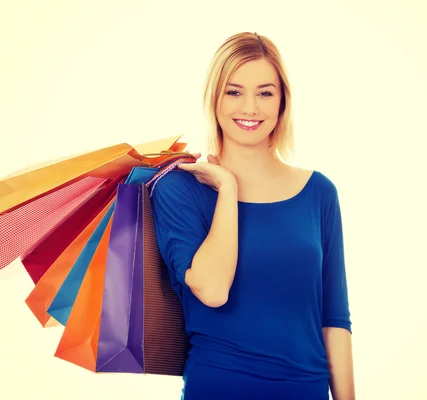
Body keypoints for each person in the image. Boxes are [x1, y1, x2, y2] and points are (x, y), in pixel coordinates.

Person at [150, 32, 355, 400]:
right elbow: (212, 290)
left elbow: (334, 319)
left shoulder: (319, 193)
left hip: (304, 391)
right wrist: (227, 189)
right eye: (234, 91)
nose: (250, 108)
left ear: (282, 102)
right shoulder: (179, 190)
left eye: (264, 92)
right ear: (214, 99)